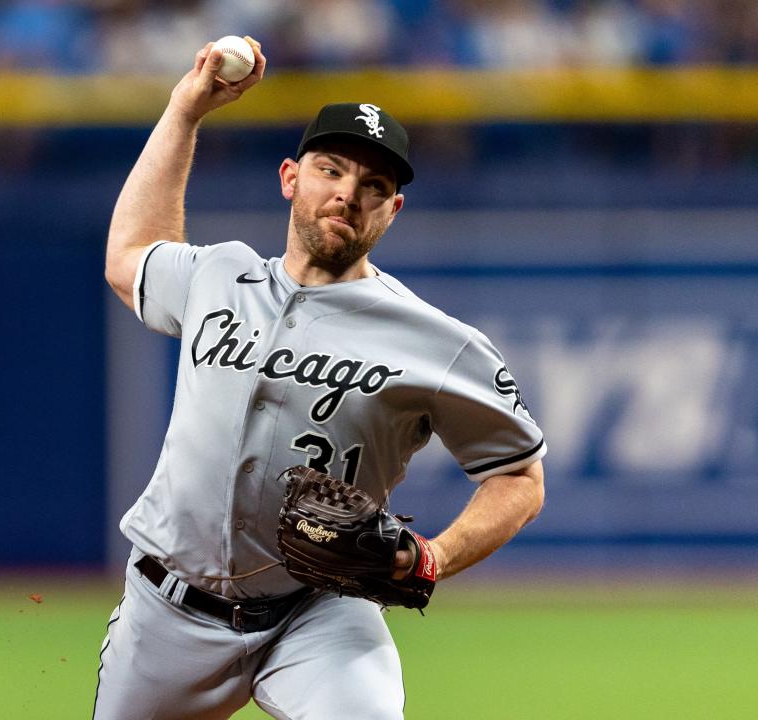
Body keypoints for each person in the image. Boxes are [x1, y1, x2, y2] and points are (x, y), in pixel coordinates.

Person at [96, 37, 546, 720]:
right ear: (290, 177)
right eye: (331, 169)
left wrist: (435, 556)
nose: (348, 194)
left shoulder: (436, 342)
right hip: (168, 610)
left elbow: (519, 475)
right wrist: (183, 112)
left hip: (318, 613)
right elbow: (131, 254)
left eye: (374, 186)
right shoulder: (219, 276)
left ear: (392, 212)